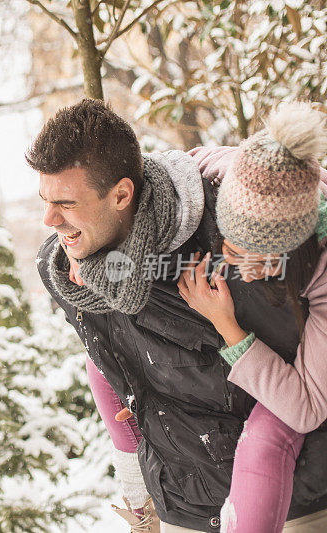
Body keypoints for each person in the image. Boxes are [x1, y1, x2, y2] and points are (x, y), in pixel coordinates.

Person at [28, 99, 327, 532]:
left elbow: (303, 407)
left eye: (67, 204)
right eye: (46, 201)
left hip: (293, 500)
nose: (48, 219)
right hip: (181, 504)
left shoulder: (297, 267)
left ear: (122, 195)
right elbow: (195, 163)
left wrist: (227, 327)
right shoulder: (216, 181)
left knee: (267, 437)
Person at [178, 103, 327, 533]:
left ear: (295, 251)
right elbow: (170, 167)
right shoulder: (230, 170)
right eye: (234, 249)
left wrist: (229, 329)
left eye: (265, 260)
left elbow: (307, 407)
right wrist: (85, 253)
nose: (244, 269)